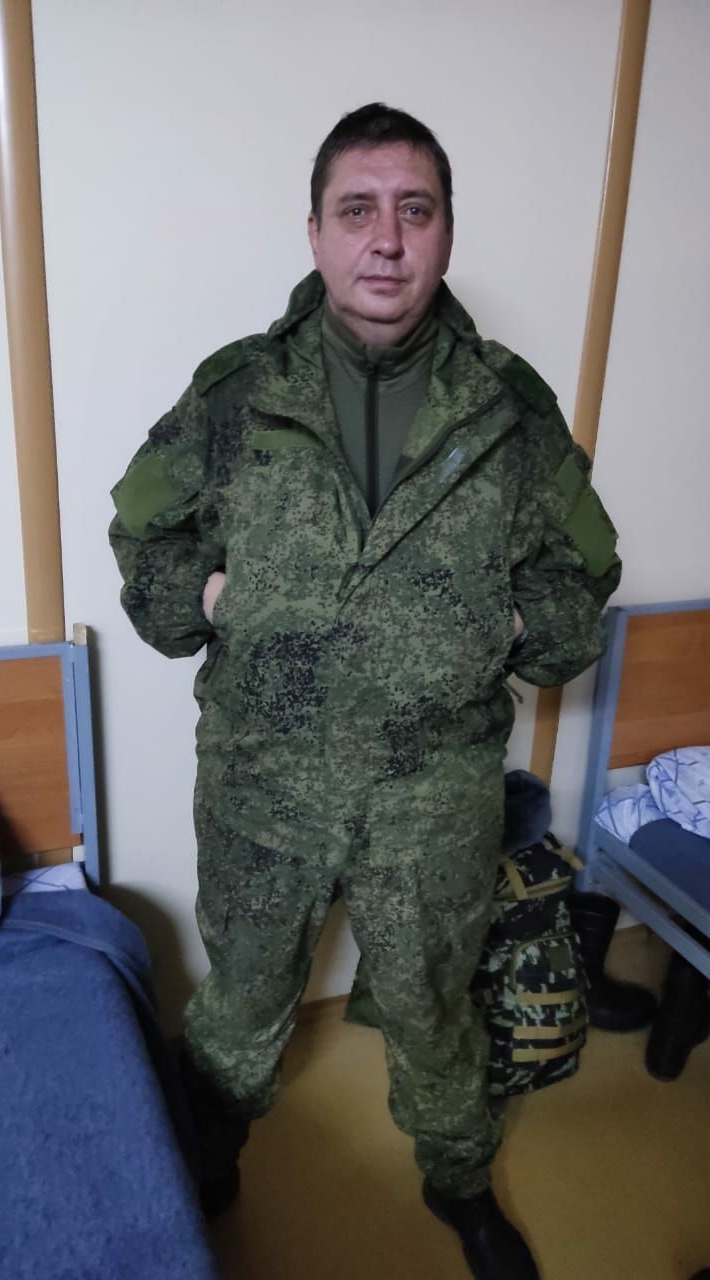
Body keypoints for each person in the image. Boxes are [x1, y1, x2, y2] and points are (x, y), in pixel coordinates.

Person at [110, 103, 621, 1279]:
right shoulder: (238, 394)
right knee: (242, 996)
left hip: (433, 793)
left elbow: (581, 577)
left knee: (435, 1003)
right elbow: (143, 538)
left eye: (414, 209)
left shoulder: (510, 411)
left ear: (444, 233)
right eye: (357, 209)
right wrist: (215, 597)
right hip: (262, 783)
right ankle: (216, 1150)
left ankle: (458, 1179)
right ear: (316, 232)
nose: (385, 237)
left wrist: (507, 625)